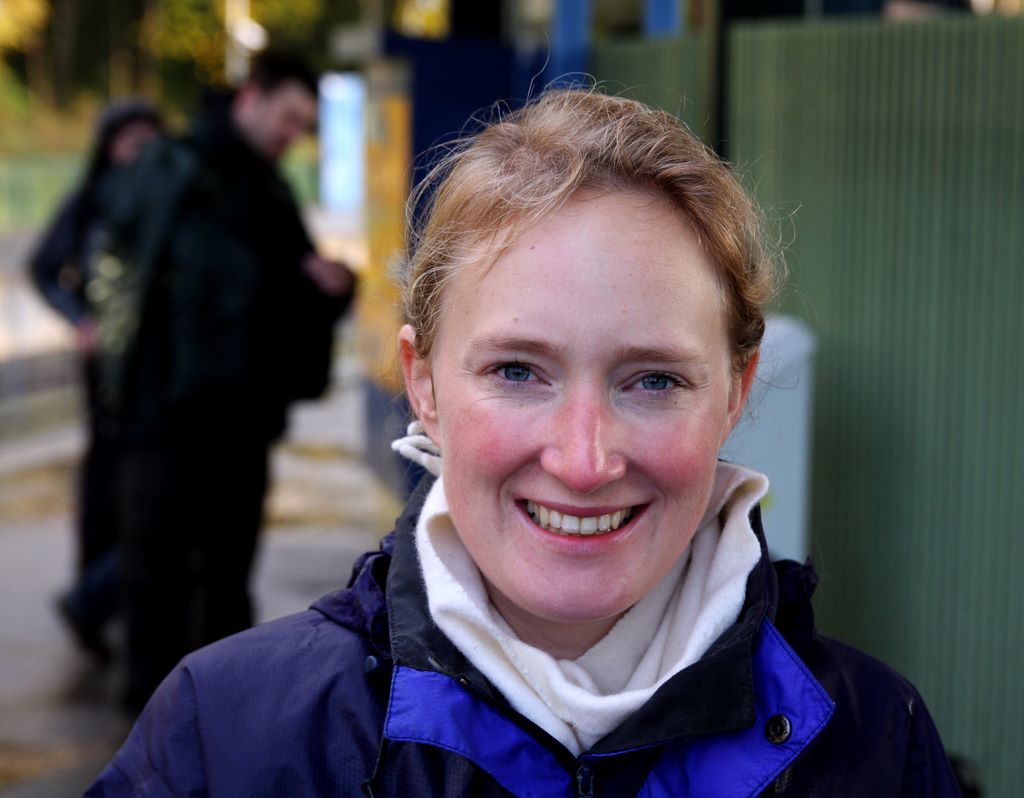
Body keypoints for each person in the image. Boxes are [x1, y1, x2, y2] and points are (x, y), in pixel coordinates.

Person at [85, 90, 960, 796]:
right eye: (517, 371)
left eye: (654, 380)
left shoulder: (879, 748)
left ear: (735, 391)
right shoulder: (225, 739)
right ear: (423, 384)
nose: (584, 461)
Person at [92, 51, 356, 712]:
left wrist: (333, 287)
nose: (291, 135)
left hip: (241, 426)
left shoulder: (270, 191)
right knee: (154, 582)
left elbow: (295, 287)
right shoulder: (169, 168)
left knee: (229, 582)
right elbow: (115, 267)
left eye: (302, 125)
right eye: (287, 118)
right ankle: (149, 727)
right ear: (249, 98)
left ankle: (218, 721)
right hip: (160, 422)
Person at [27, 99, 163, 661]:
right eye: (131, 139)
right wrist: (79, 319)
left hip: (152, 365)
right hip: (106, 365)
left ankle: (102, 599)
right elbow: (45, 267)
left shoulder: (165, 198)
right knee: (109, 481)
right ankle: (93, 597)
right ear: (110, 145)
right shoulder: (91, 200)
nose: (141, 151)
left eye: (150, 139)